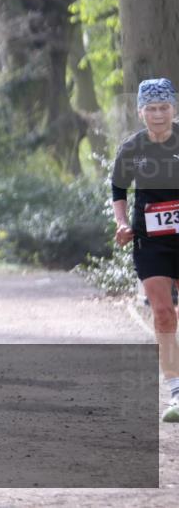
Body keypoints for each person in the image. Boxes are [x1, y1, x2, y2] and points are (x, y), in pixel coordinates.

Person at [111, 78, 179, 423]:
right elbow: (118, 189)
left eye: (164, 107)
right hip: (150, 240)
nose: (158, 114)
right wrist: (122, 223)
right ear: (141, 112)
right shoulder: (132, 148)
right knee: (164, 313)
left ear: (174, 109)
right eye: (151, 108)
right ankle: (176, 390)